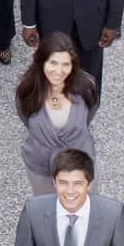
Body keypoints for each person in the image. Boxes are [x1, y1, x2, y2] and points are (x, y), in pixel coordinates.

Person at [12, 148, 124, 246]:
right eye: (63, 183)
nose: (70, 191)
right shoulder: (33, 211)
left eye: (77, 184)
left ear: (89, 184)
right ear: (54, 182)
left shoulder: (114, 214)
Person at [15, 32, 98, 196]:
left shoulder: (87, 87)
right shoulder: (27, 90)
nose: (59, 71)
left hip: (80, 164)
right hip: (41, 166)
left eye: (66, 64)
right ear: (42, 61)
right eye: (53, 63)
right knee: (47, 209)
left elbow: (89, 114)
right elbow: (25, 117)